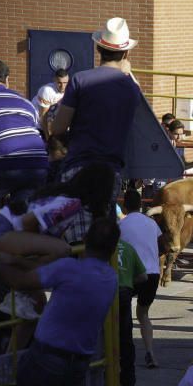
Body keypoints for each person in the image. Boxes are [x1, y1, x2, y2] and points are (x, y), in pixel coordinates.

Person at [0, 218, 119, 386]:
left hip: (46, 360)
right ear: (113, 248)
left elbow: (21, 282)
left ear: (87, 241)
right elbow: (41, 272)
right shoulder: (110, 277)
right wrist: (18, 262)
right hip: (78, 364)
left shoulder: (68, 268)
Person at [49, 18, 143, 241]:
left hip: (78, 167)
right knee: (102, 237)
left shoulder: (81, 80)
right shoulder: (131, 88)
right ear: (126, 54)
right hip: (111, 172)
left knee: (72, 237)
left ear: (99, 48)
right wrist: (126, 72)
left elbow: (59, 128)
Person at [0, 59, 48, 212]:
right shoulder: (26, 103)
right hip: (37, 164)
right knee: (20, 216)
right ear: (7, 80)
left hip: (2, 164)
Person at [120, 189, 163, 368]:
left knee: (124, 315)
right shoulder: (151, 223)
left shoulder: (121, 225)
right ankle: (150, 353)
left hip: (131, 273)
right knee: (143, 314)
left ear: (124, 205)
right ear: (141, 204)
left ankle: (124, 353)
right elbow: (161, 244)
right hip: (152, 272)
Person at [117, 238, 147, 386]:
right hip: (124, 293)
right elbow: (143, 276)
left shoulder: (98, 244)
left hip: (103, 290)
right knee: (126, 337)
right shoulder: (129, 248)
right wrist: (128, 280)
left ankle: (103, 375)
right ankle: (128, 379)